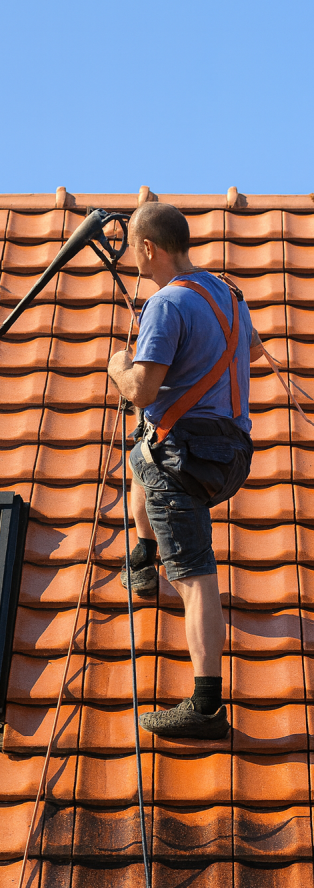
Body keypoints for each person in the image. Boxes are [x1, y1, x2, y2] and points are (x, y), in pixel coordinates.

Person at [107, 203, 264, 740]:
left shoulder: (165, 304)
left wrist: (117, 368)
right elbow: (254, 349)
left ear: (148, 247)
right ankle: (142, 554)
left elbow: (141, 392)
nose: (131, 253)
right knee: (140, 452)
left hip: (187, 460)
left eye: (132, 244)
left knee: (195, 577)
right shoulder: (228, 294)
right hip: (233, 455)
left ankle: (205, 706)